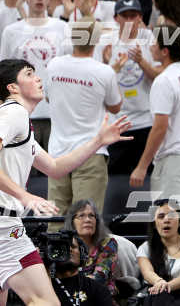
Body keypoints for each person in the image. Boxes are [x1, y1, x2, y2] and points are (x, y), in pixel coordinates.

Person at [0, 57, 130, 305]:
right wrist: (25, 196)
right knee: (46, 302)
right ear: (12, 87)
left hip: (5, 222)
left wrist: (98, 141)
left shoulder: (20, 123)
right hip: (4, 227)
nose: (38, 78)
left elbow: (56, 168)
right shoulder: (13, 111)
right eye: (29, 74)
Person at [45, 17, 124, 216]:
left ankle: (56, 250)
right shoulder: (105, 72)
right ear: (97, 41)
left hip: (57, 154)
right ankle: (83, 250)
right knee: (86, 221)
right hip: (90, 153)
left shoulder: (54, 65)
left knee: (55, 220)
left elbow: (49, 97)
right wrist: (111, 69)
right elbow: (115, 107)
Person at [130, 26, 180, 203]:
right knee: (177, 218)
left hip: (174, 158)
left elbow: (160, 127)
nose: (151, 47)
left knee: (169, 221)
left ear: (165, 51)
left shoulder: (163, 81)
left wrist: (142, 166)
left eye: (155, 44)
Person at [0, 0, 70, 151]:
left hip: (56, 112)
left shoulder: (61, 27)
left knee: (54, 169)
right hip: (21, 113)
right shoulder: (11, 31)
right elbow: (4, 73)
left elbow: (69, 66)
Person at [101, 0, 161, 175]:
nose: (128, 20)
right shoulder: (106, 42)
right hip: (117, 123)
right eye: (124, 16)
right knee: (114, 178)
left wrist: (142, 61)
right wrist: (108, 65)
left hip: (145, 121)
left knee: (147, 177)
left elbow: (159, 79)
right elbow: (99, 84)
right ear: (115, 18)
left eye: (133, 15)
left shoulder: (149, 39)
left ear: (140, 17)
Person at [64, 199, 120, 302]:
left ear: (96, 221)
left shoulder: (108, 244)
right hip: (70, 297)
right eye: (81, 216)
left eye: (91, 216)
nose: (88, 220)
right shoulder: (64, 245)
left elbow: (100, 277)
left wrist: (71, 282)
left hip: (100, 298)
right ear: (72, 222)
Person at [50, 233, 114, 306]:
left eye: (73, 246)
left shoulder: (97, 289)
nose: (69, 249)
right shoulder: (44, 287)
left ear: (82, 254)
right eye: (63, 247)